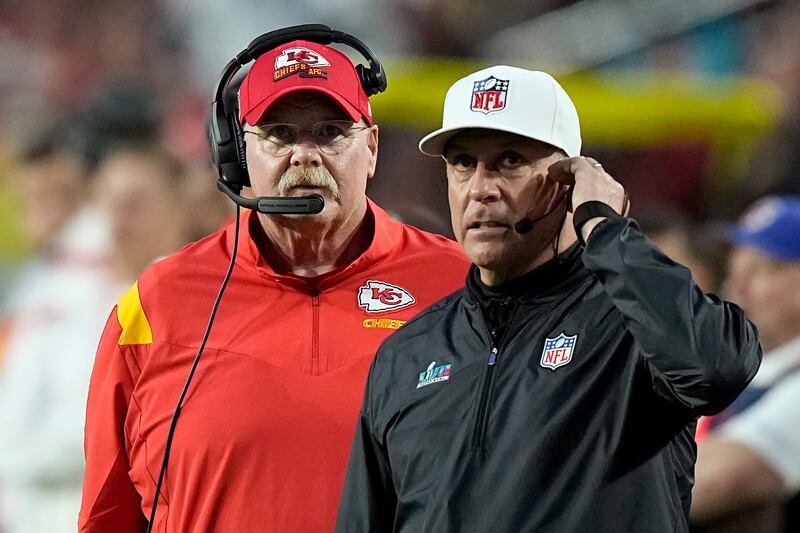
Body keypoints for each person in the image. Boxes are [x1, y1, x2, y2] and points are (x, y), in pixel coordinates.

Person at [335, 66, 762, 532]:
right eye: (463, 163)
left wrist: (604, 228)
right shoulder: (408, 353)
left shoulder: (631, 322)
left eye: (510, 161)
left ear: (569, 181)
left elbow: (717, 368)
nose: (480, 189)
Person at [78, 31, 470, 533]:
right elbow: (106, 518)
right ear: (239, 155)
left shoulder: (461, 286)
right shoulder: (154, 306)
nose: (305, 155)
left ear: (371, 148)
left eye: (330, 132)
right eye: (280, 134)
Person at [0, 142, 188, 533]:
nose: (118, 222)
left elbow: (127, 433)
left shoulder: (194, 307)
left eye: (135, 205)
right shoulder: (54, 295)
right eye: (110, 204)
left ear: (176, 208)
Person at [691, 195, 800, 531]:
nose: (736, 284)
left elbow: (712, 482)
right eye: (736, 266)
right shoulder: (724, 366)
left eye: (761, 269)